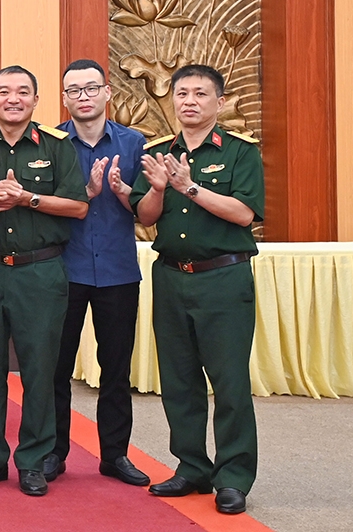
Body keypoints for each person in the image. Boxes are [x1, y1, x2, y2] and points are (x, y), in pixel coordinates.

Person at [132, 64, 263, 516]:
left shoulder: (241, 152)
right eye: (182, 93)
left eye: (200, 94)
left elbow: (244, 214)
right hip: (171, 277)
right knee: (179, 380)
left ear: (219, 102)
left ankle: (233, 478)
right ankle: (192, 467)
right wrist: (158, 188)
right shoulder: (157, 152)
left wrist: (189, 187)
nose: (189, 101)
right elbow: (146, 216)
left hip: (222, 279)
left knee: (229, 383)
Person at [0, 65, 87, 497]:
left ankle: (32, 460)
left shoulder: (57, 146)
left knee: (39, 369)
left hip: (40, 271)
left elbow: (77, 206)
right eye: (4, 92)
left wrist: (26, 198)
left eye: (23, 92)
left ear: (36, 100)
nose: (13, 99)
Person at [49, 58, 149, 488]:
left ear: (107, 92)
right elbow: (44, 208)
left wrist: (123, 193)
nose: (83, 97)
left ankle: (115, 455)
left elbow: (147, 209)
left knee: (116, 369)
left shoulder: (134, 143)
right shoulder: (52, 144)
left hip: (118, 271)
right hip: (63, 269)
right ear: (64, 98)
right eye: (74, 90)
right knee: (55, 369)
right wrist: (84, 194)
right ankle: (54, 453)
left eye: (91, 88)